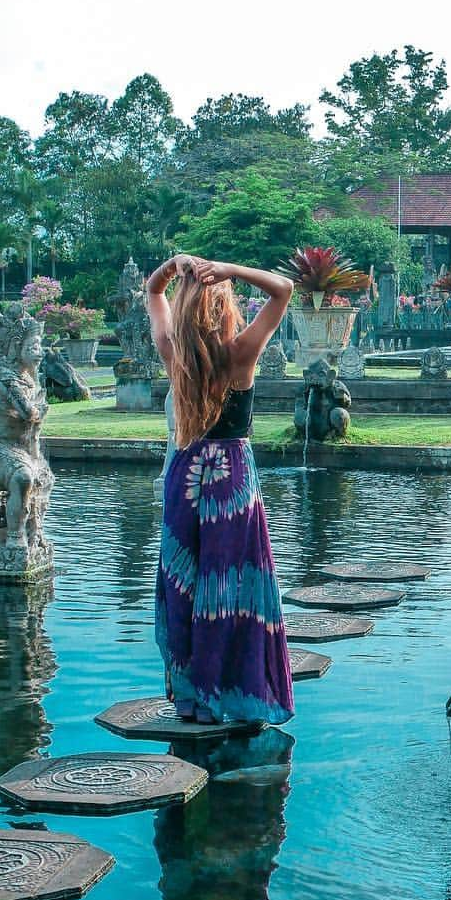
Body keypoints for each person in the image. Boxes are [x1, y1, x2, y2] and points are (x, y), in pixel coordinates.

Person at [145, 253, 295, 725]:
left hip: (185, 479)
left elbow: (152, 293)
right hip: (231, 483)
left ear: (186, 307)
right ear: (224, 307)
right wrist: (230, 270)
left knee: (184, 585)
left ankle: (191, 700)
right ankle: (232, 691)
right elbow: (283, 289)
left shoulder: (175, 353)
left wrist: (172, 269)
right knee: (232, 588)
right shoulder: (241, 355)